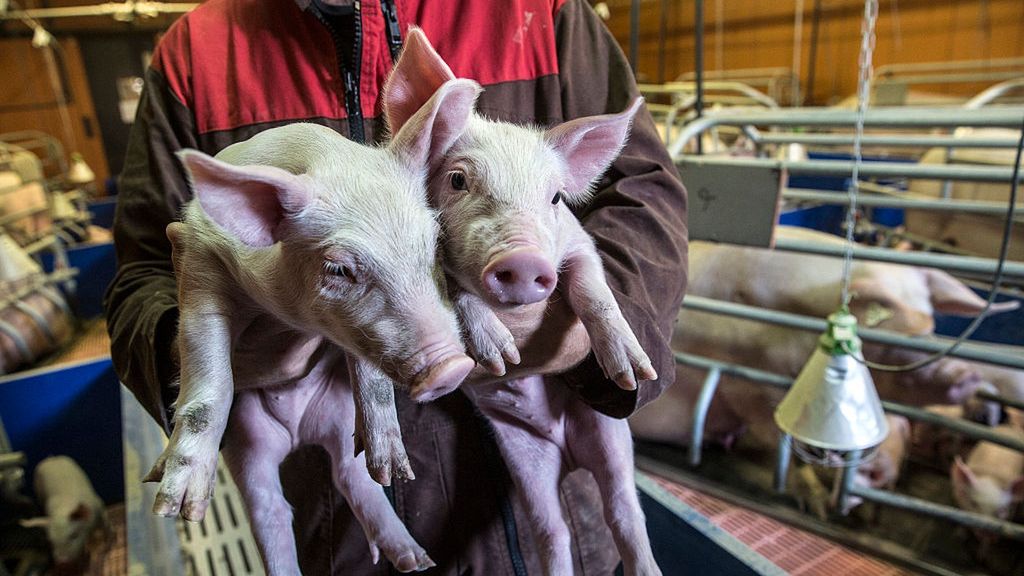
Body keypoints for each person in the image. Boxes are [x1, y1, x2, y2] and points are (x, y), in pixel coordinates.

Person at [104, 0, 689, 573]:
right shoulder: (193, 55)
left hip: (560, 498)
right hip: (347, 529)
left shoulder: (542, 10)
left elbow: (645, 196)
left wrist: (584, 335)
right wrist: (215, 351)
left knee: (593, 523)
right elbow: (149, 270)